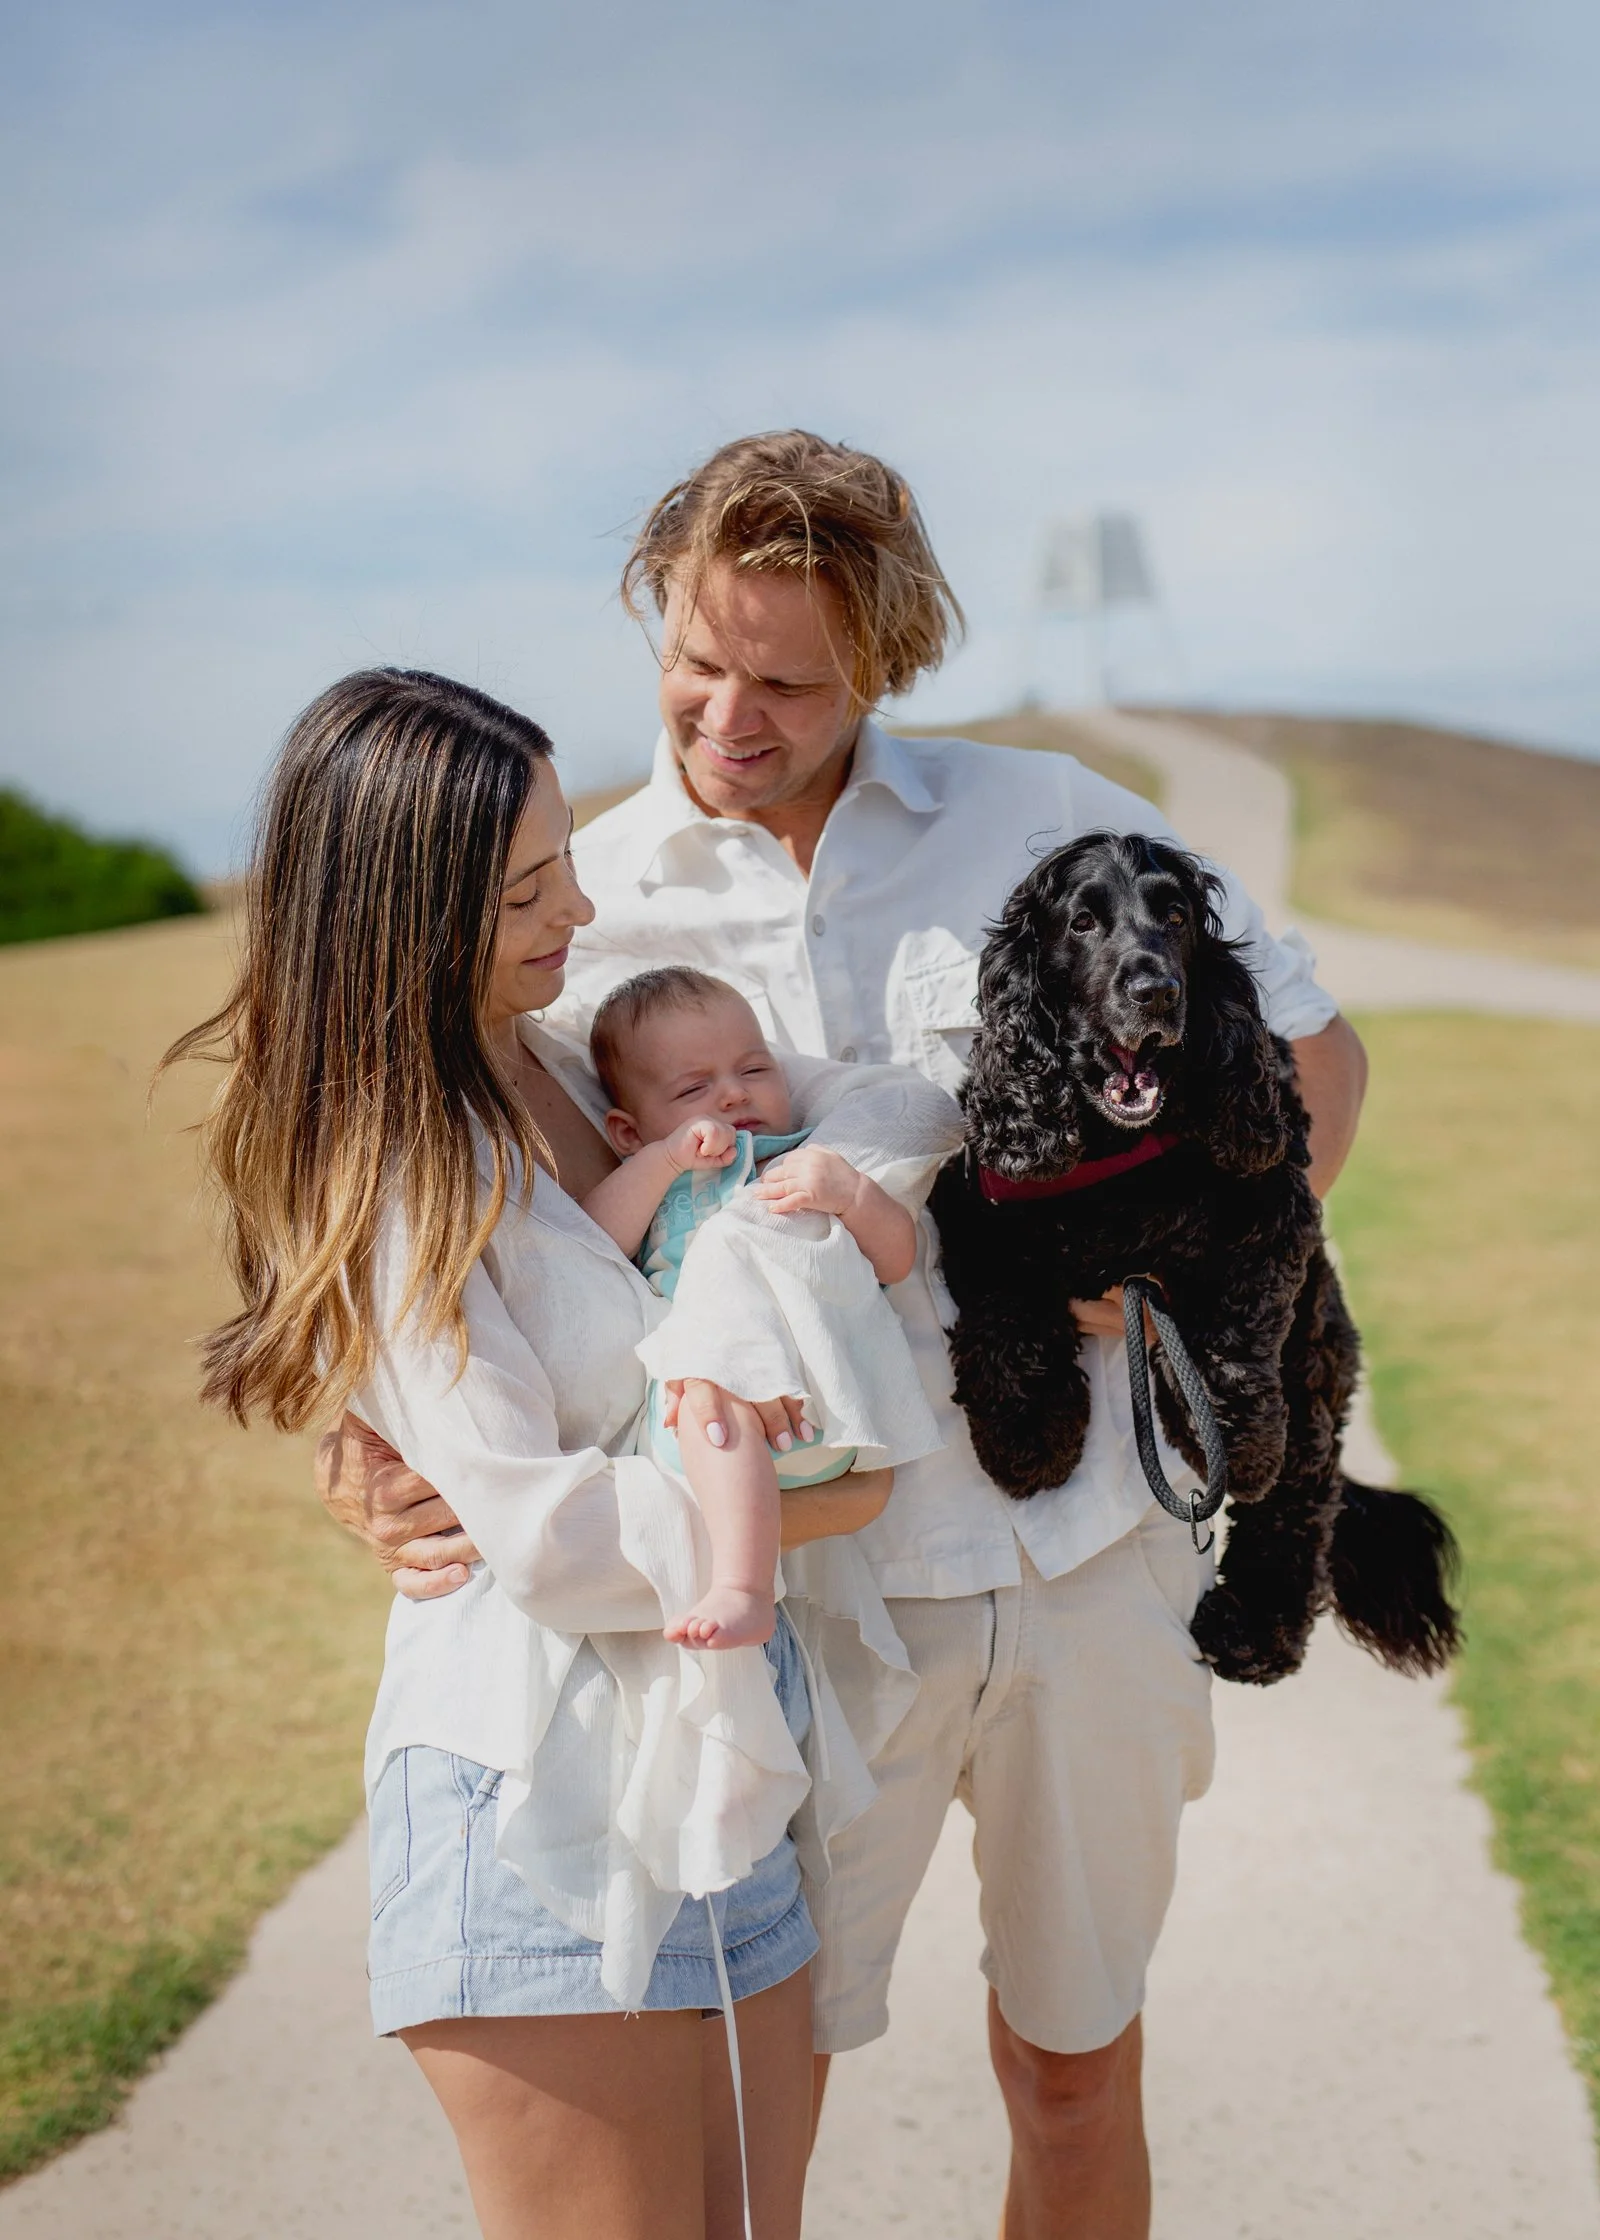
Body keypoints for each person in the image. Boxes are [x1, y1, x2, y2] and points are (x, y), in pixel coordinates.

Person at [320, 434, 1367, 2240]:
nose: (728, 716)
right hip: (789, 1608)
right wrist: (364, 1431)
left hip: (1082, 1558)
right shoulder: (574, 888)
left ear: (881, 664)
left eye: (787, 682)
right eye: (695, 663)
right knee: (756, 2116)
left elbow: (1314, 1065)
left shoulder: (1044, 816)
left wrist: (1196, 1280)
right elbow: (433, 1194)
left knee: (1071, 2072)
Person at [167, 666, 961, 2240]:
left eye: (567, 859)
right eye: (529, 886)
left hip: (721, 1752)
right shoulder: (394, 1157)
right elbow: (531, 1526)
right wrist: (830, 1500)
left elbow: (857, 1112)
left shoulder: (565, 1062)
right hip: (538, 1788)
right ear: (405, 909)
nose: (579, 907)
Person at [583, 965, 934, 1650]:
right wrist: (660, 1163)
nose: (733, 1094)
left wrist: (853, 1194)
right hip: (710, 1426)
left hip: (826, 1406)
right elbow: (593, 1248)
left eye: (755, 1069)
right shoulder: (660, 1178)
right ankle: (742, 1586)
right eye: (693, 1088)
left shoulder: (807, 1157)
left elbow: (897, 1261)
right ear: (626, 1131)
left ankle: (744, 1582)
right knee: (713, 1384)